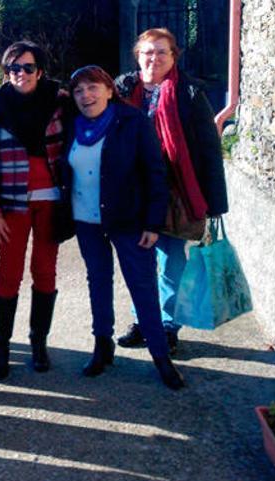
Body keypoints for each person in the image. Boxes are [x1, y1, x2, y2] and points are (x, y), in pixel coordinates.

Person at [63, 65, 185, 390]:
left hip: (129, 220)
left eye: (92, 88)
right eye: (78, 91)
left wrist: (153, 222)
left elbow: (154, 172)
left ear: (107, 89)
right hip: (86, 219)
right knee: (98, 282)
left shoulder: (132, 121)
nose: (86, 95)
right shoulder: (72, 126)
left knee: (142, 286)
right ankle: (103, 345)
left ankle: (161, 356)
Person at [114, 28, 228, 354]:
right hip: (133, 193)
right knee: (139, 263)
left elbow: (208, 150)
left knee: (171, 263)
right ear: (138, 55)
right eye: (148, 52)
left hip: (174, 192)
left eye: (162, 52)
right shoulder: (122, 90)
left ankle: (166, 326)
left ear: (173, 56)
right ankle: (142, 320)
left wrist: (215, 202)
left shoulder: (189, 93)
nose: (154, 58)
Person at [0, 41, 68, 380]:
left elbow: (97, 102)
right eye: (14, 68)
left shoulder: (59, 102)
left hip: (51, 200)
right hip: (12, 203)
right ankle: (0, 346)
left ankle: (38, 343)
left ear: (39, 71)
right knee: (9, 273)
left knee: (45, 271)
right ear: (6, 72)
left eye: (28, 67)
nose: (21, 74)